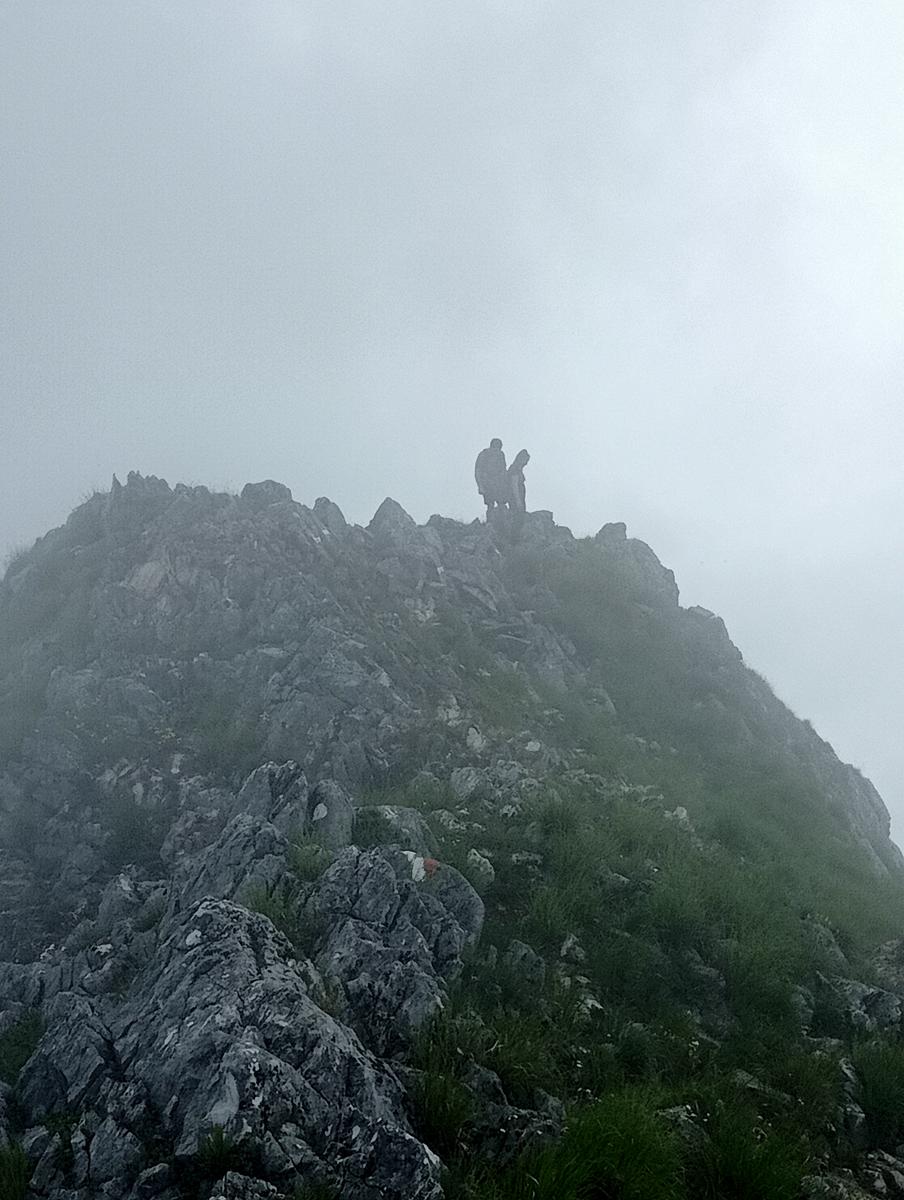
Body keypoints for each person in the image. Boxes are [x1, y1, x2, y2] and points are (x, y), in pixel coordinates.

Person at [474, 438, 508, 517]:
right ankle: (491, 521)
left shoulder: (500, 455)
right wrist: (480, 486)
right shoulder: (484, 455)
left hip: (498, 484)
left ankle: (500, 521)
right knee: (491, 504)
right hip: (488, 484)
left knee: (500, 504)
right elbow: (478, 471)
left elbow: (503, 470)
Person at [507, 449, 530, 514]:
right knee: (518, 515)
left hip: (519, 497)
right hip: (515, 499)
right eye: (525, 461)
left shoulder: (518, 469)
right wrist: (518, 501)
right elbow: (514, 486)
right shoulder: (514, 469)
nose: (526, 464)